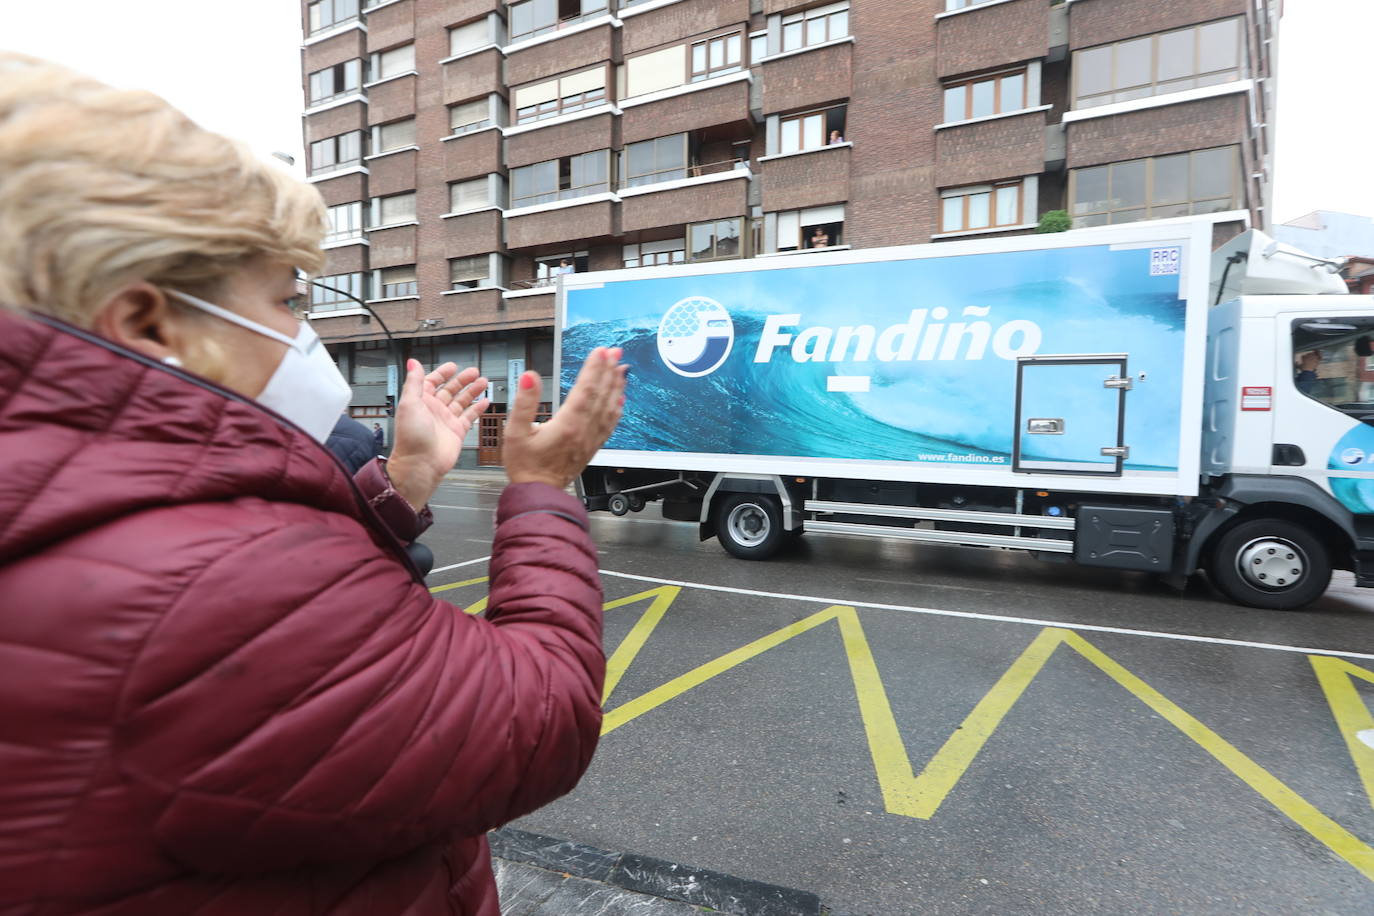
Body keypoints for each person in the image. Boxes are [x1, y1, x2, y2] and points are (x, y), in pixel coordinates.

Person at [0, 53, 628, 915]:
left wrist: (402, 479)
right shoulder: (204, 585)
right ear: (146, 321)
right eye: (286, 301)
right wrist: (544, 489)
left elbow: (304, 658)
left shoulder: (84, 506)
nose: (305, 334)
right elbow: (539, 717)